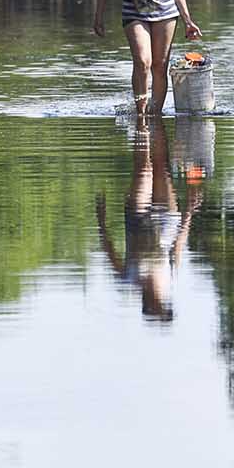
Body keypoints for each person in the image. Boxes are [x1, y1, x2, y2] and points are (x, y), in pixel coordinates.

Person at [96, 121, 202, 322]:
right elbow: (177, 249)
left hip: (138, 220)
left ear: (148, 304)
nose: (162, 300)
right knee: (161, 166)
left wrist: (101, 222)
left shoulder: (128, 278)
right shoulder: (169, 279)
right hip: (166, 221)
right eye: (163, 304)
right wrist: (189, 211)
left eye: (160, 305)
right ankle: (151, 119)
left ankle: (142, 121)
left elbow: (109, 249)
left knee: (144, 168)